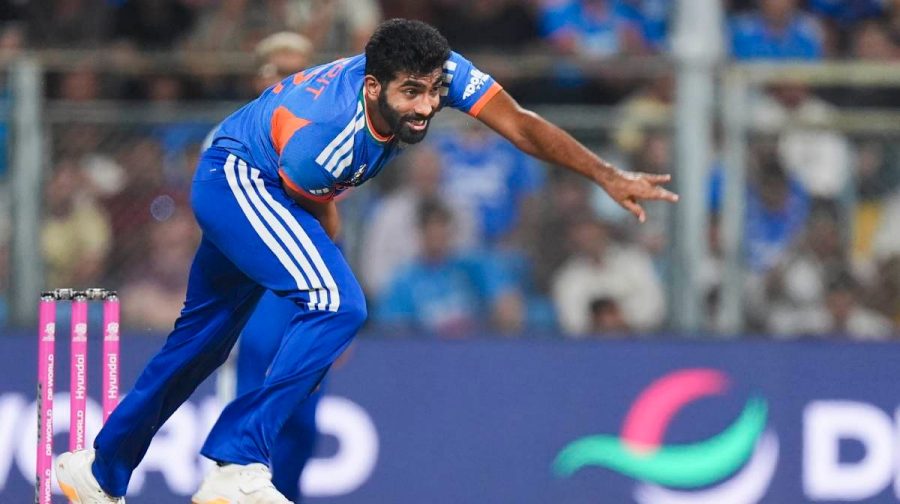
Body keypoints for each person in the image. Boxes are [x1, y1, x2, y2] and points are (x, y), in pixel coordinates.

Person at [55, 19, 677, 503]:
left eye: (435, 91)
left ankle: (100, 469)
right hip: (245, 181)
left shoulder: (435, 71)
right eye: (412, 94)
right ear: (374, 87)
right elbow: (315, 209)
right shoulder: (327, 142)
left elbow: (517, 124)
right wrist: (326, 283)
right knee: (338, 302)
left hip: (250, 172)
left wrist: (604, 174)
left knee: (200, 346)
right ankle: (238, 462)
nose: (427, 107)